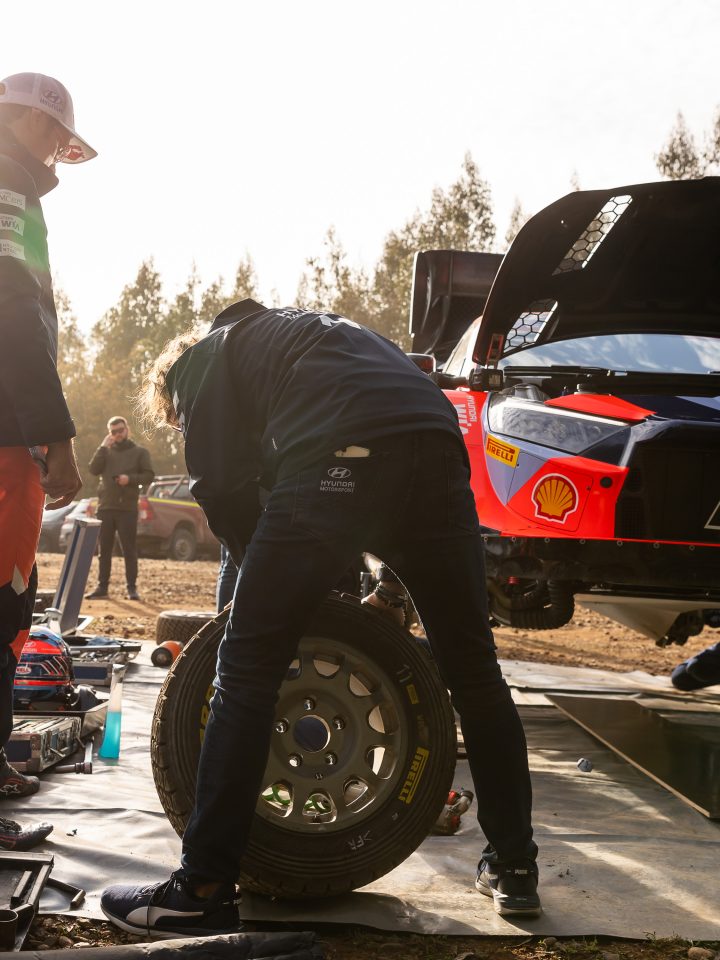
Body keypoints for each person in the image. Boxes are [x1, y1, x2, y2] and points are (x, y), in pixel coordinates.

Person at [101, 300, 541, 936]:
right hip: (442, 454)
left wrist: (263, 597)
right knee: (475, 674)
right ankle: (515, 865)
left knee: (246, 667)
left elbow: (222, 488)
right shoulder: (329, 336)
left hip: (340, 455)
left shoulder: (200, 359)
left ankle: (200, 889)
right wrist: (387, 590)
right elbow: (402, 448)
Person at [0, 73, 94, 848]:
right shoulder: (9, 184)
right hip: (5, 436)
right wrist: (55, 435)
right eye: (58, 139)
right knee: (4, 602)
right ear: (32, 123)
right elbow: (14, 311)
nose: (61, 155)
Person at [86, 417, 155, 601]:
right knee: (104, 550)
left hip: (127, 508)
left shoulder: (140, 452)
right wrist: (102, 447)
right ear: (110, 433)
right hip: (106, 507)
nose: (117, 434)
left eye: (120, 430)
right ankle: (102, 587)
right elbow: (93, 470)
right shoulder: (105, 452)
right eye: (113, 432)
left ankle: (132, 588)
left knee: (129, 550)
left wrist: (129, 479)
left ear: (127, 430)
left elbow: (149, 476)